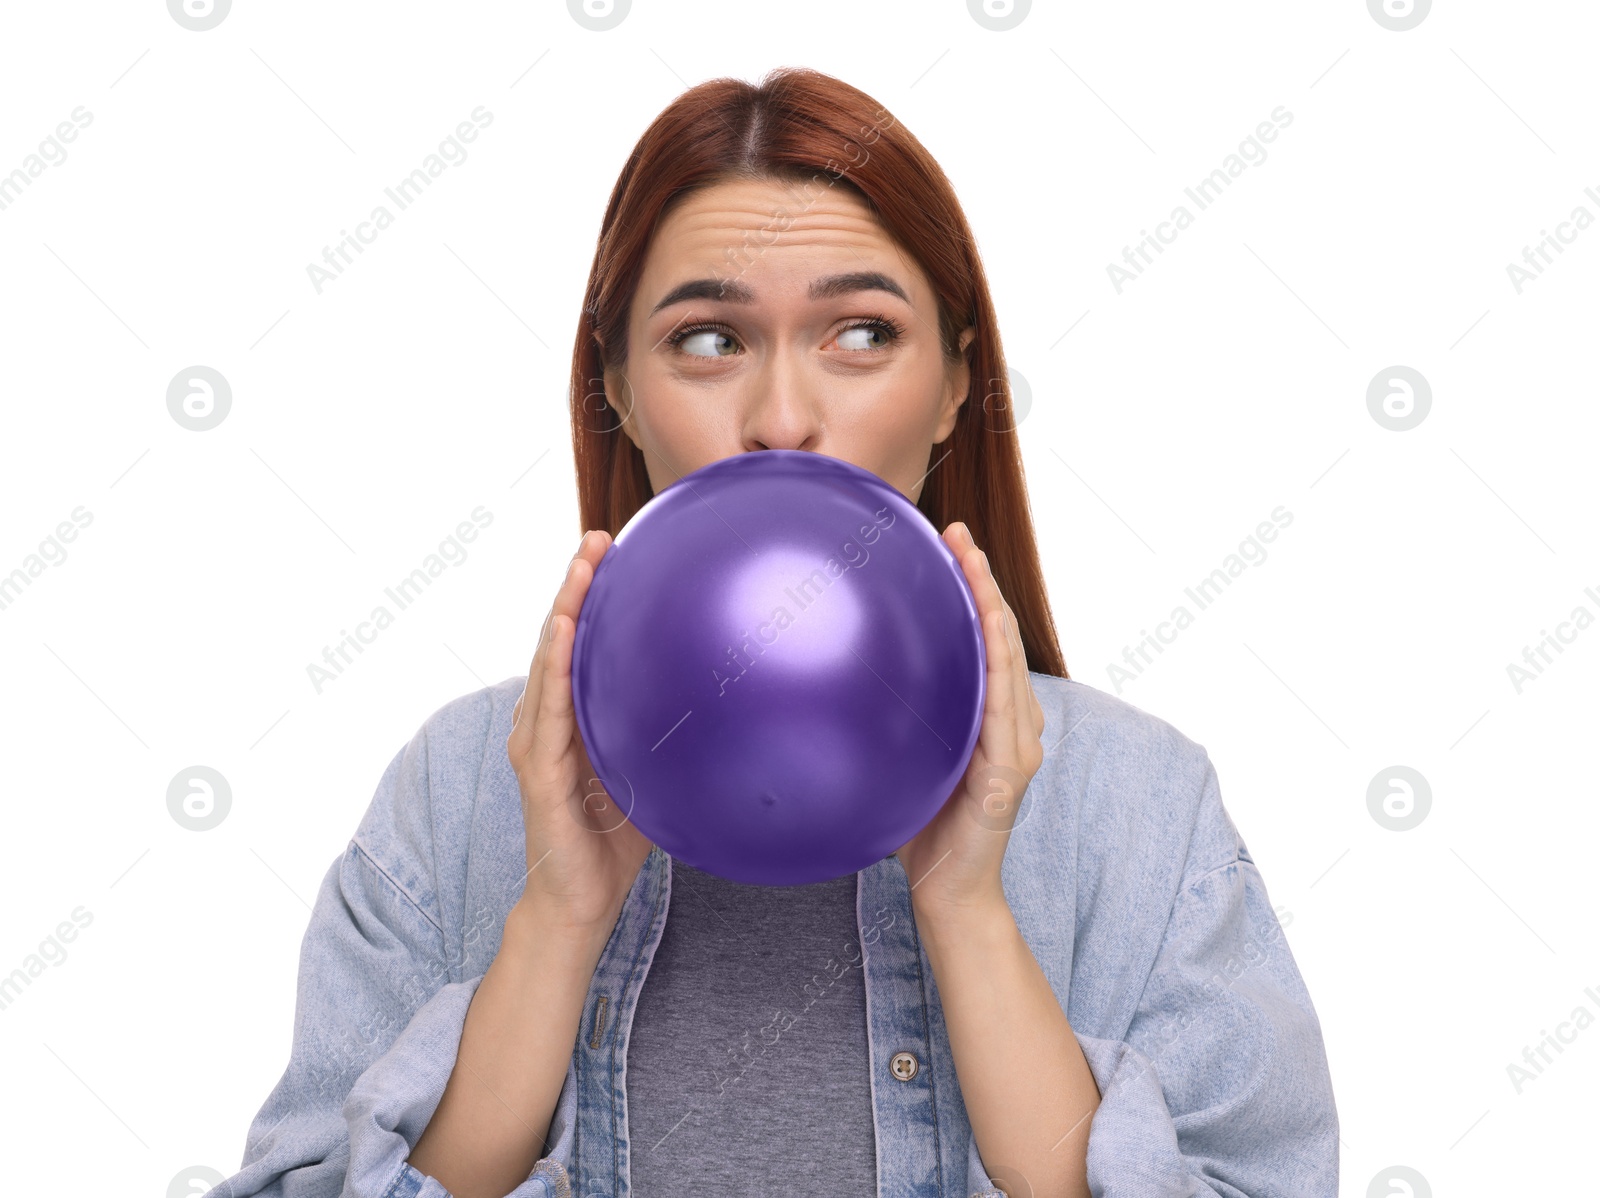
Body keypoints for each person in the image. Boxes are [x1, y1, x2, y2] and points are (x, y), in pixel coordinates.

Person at [209, 67, 1338, 1198]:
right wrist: (556, 914)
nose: (784, 419)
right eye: (708, 340)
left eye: (860, 331)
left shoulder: (1137, 807)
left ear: (954, 385)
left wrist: (967, 908)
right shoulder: (455, 793)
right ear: (617, 387)